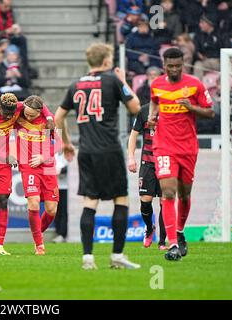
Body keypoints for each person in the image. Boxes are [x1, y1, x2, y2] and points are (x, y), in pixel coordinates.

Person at [55, 43, 141, 270]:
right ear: (105, 61)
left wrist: (66, 142)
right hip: (109, 150)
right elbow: (136, 107)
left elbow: (57, 117)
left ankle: (87, 259)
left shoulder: (75, 85)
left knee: (89, 202)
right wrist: (123, 81)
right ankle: (117, 256)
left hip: (86, 151)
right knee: (120, 199)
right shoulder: (112, 81)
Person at [148, 47, 214, 261]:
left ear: (183, 64)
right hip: (163, 145)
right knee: (168, 192)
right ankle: (172, 243)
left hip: (187, 147)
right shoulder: (156, 84)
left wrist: (192, 107)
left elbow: (211, 112)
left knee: (184, 194)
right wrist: (152, 117)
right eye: (170, 66)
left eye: (178, 66)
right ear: (164, 65)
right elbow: (154, 101)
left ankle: (180, 230)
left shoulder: (194, 84)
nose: (174, 69)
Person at [0, 93, 54, 255]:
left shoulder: (15, 107)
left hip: (3, 166)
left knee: (2, 202)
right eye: (6, 114)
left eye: (12, 114)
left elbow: (36, 102)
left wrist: (50, 117)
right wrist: (5, 156)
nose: (10, 117)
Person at [14, 95, 58, 255]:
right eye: (27, 113)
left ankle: (37, 234)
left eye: (33, 115)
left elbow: (57, 144)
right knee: (33, 203)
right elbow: (10, 105)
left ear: (40, 111)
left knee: (51, 210)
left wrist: (43, 157)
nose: (28, 117)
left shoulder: (48, 122)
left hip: (47, 168)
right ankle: (39, 244)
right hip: (28, 166)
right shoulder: (18, 116)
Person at [127, 104, 167, 250]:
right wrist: (131, 158)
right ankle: (149, 228)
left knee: (165, 202)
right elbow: (133, 134)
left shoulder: (170, 109)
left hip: (165, 162)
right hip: (147, 163)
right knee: (145, 201)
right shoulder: (144, 111)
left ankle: (162, 242)